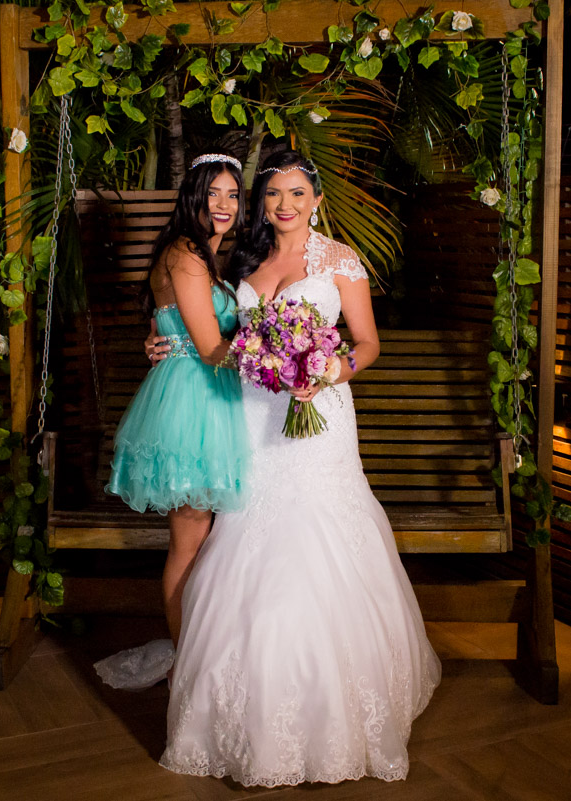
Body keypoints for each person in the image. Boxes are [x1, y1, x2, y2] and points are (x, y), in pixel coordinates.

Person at [157, 149, 441, 786]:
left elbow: (368, 343)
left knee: (314, 542)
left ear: (316, 199)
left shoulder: (340, 261)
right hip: (253, 420)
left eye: (296, 194)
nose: (284, 205)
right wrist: (163, 342)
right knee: (246, 545)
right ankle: (243, 704)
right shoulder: (245, 260)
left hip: (320, 420)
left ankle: (330, 708)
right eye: (273, 195)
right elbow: (205, 323)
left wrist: (327, 368)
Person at [101, 152, 249, 668]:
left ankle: (203, 651)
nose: (223, 204)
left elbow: (177, 325)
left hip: (210, 399)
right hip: (195, 404)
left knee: (201, 538)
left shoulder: (205, 257)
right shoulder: (187, 253)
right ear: (193, 197)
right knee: (189, 541)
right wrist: (279, 358)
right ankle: (189, 667)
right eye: (213, 193)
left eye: (232, 194)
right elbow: (211, 348)